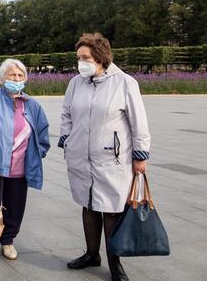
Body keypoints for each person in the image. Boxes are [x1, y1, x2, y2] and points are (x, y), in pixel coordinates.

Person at [60, 33, 151, 281]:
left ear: (100, 57)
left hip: (112, 159)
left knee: (111, 211)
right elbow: (66, 113)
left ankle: (115, 264)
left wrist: (140, 155)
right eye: (78, 58)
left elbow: (138, 122)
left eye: (85, 57)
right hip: (80, 156)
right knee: (88, 205)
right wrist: (66, 137)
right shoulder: (75, 83)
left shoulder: (125, 83)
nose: (81, 62)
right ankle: (92, 254)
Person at [0, 58, 50, 262]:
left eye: (20, 75)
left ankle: (8, 240)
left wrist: (38, 152)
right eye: (12, 75)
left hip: (21, 168)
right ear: (2, 78)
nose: (16, 78)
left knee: (15, 208)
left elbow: (42, 131)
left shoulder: (32, 104)